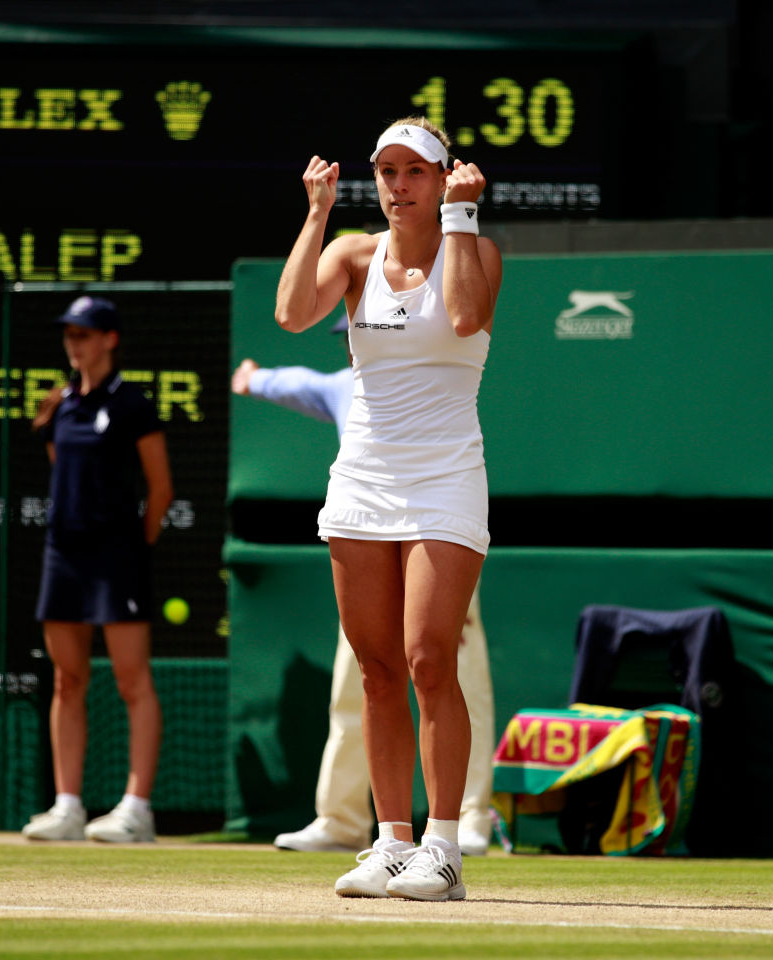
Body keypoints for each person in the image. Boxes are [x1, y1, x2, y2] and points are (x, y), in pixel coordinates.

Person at [274, 116, 502, 901]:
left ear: (443, 179)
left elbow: (467, 317)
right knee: (376, 672)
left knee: (429, 658)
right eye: (386, 171)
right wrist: (315, 214)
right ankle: (392, 843)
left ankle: (444, 848)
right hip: (363, 477)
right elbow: (292, 314)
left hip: (445, 477)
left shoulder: (475, 247)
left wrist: (463, 220)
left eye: (414, 172)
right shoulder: (351, 253)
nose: (397, 186)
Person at [230, 324, 496, 859]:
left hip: (436, 535)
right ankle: (344, 818)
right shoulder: (341, 385)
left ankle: (468, 819)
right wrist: (256, 379)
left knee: (450, 676)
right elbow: (295, 380)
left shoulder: (438, 373)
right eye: (351, 330)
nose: (357, 340)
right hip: (369, 540)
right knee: (363, 685)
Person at [20, 295, 174, 844]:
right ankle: (67, 806)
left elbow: (160, 489)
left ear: (110, 339)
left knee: (132, 680)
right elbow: (63, 474)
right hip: (64, 556)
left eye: (84, 334)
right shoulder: (57, 406)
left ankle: (137, 809)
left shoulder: (131, 403)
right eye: (70, 334)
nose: (74, 343)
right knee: (67, 679)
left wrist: (135, 545)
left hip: (118, 558)